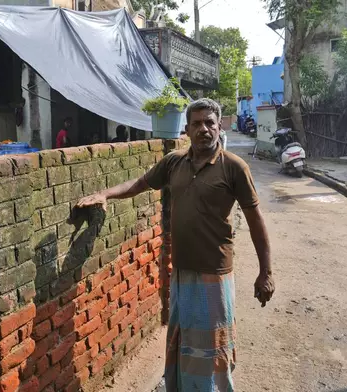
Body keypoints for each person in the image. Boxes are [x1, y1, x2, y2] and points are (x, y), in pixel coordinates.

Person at [76, 98, 274, 391]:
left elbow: (256, 222)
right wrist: (106, 194)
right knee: (183, 341)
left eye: (209, 122)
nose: (204, 129)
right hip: (181, 271)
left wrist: (266, 272)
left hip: (214, 273)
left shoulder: (233, 167)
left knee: (212, 348)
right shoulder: (174, 163)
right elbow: (139, 184)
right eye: (197, 123)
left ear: (219, 127)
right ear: (186, 129)